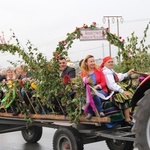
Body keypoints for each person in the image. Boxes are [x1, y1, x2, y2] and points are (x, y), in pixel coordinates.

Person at [100, 56, 134, 126]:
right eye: (109, 62)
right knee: (124, 97)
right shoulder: (106, 72)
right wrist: (122, 91)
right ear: (104, 63)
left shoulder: (110, 70)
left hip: (115, 90)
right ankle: (127, 119)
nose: (111, 63)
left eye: (112, 62)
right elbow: (111, 85)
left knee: (129, 93)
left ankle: (127, 117)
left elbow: (118, 77)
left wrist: (127, 73)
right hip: (112, 92)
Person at [81, 55, 108, 120]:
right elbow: (82, 83)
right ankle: (89, 112)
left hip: (101, 90)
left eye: (93, 61)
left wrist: (97, 86)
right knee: (86, 96)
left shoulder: (99, 71)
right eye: (91, 61)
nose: (93, 63)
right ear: (86, 63)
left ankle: (100, 111)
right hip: (89, 90)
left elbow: (103, 83)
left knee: (93, 94)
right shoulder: (83, 73)